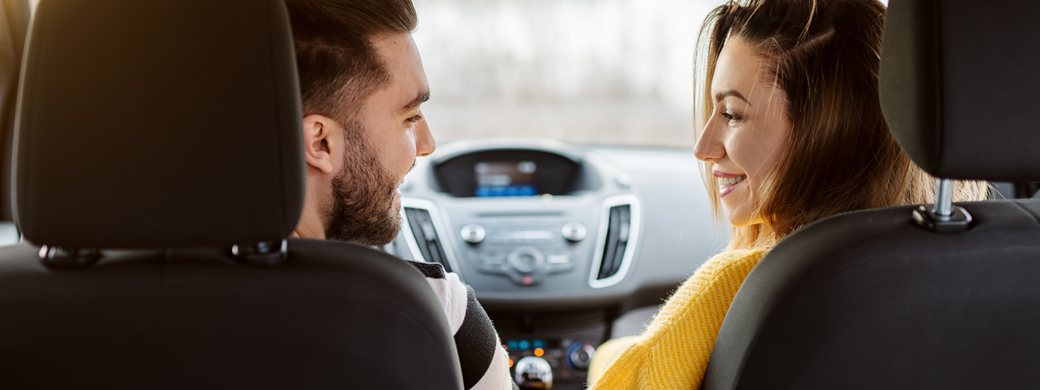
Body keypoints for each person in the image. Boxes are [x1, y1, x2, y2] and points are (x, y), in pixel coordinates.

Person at [586, 0, 987, 388]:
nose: (703, 147)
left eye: (732, 114)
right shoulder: (991, 270)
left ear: (828, 132)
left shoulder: (743, 286)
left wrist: (606, 357)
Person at [282, 1, 515, 389]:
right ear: (320, 142)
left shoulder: (147, 307)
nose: (427, 144)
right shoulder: (432, 313)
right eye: (409, 117)